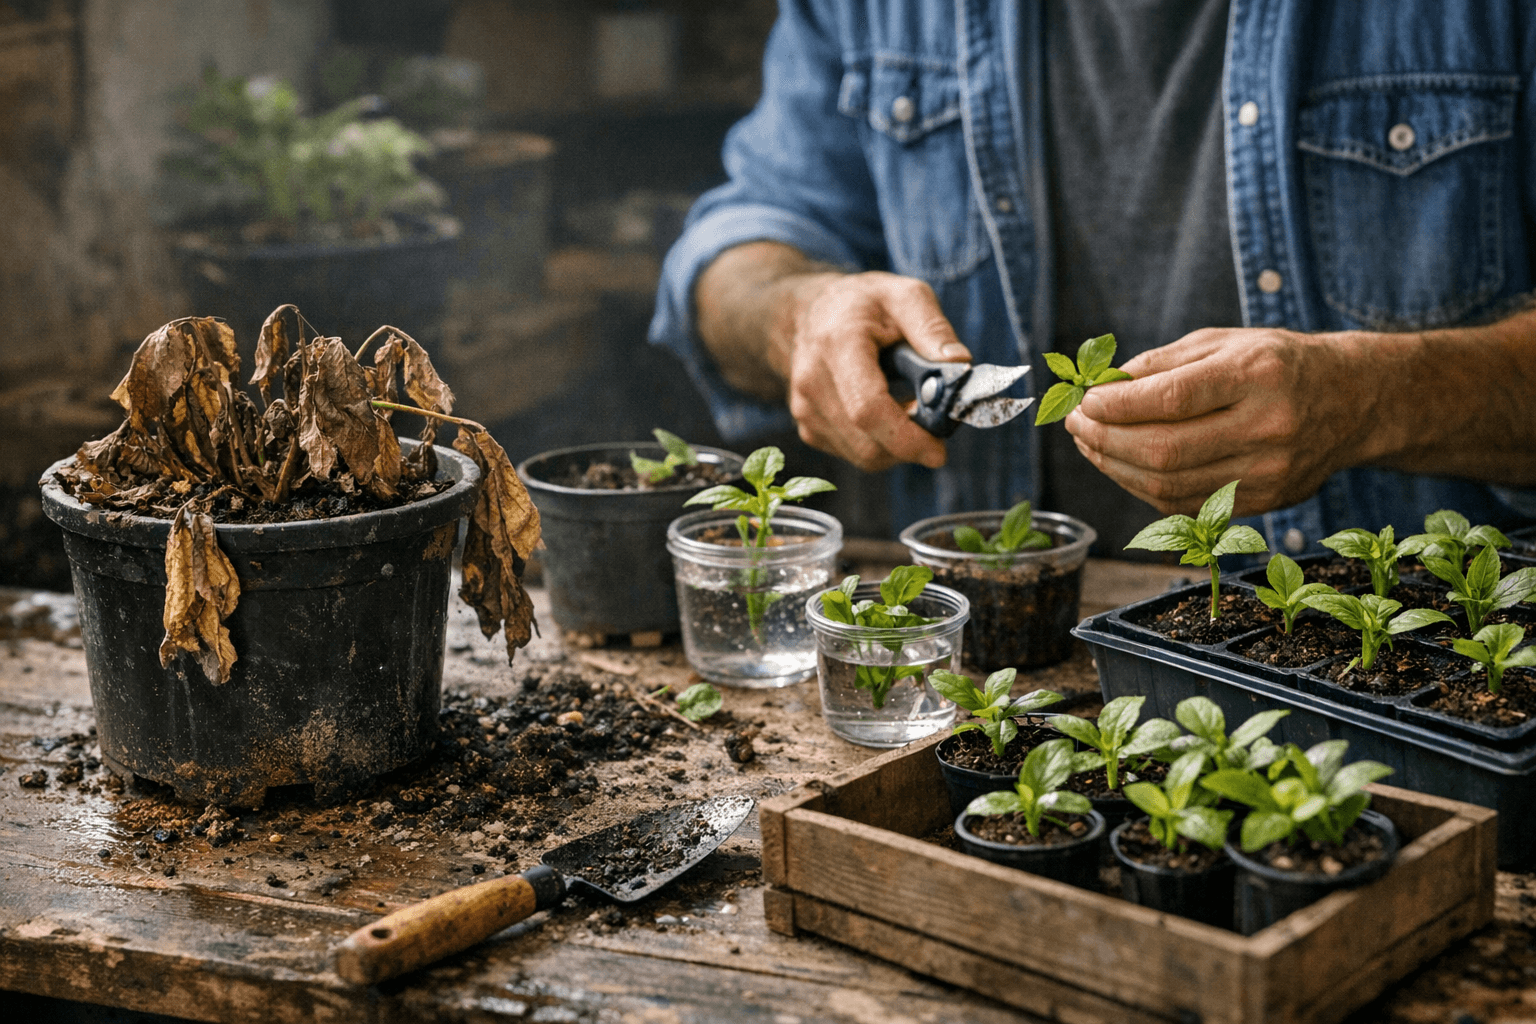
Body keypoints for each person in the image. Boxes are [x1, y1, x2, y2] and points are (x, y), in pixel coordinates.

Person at [649, 0, 1536, 553]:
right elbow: (741, 243)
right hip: (1001, 684)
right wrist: (797, 312)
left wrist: (1383, 399)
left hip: (1393, 677)